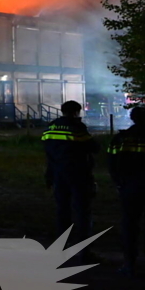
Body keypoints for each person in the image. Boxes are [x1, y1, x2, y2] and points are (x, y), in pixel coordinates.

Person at [42, 100, 99, 260]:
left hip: (58, 174)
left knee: (62, 211)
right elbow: (94, 147)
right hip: (78, 174)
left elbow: (48, 151)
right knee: (83, 212)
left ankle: (61, 248)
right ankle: (84, 252)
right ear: (76, 112)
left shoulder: (51, 127)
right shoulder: (77, 127)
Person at [107, 105, 145, 277]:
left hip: (129, 188)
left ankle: (129, 264)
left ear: (132, 118)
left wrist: (119, 183)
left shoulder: (120, 138)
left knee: (129, 225)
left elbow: (112, 164)